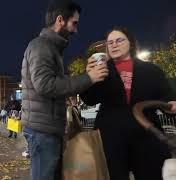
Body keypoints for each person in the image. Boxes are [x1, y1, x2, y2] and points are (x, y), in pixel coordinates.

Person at [20, 1, 108, 179]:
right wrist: (88, 77)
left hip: (47, 128)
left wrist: (86, 74)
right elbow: (45, 85)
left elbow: (55, 83)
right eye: (74, 23)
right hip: (43, 131)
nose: (76, 29)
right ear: (60, 20)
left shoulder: (51, 47)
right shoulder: (41, 46)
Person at [81, 27, 176, 180]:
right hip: (111, 138)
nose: (113, 45)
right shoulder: (102, 70)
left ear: (131, 44)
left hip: (146, 135)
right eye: (110, 42)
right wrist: (89, 78)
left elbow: (166, 95)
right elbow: (89, 99)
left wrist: (171, 103)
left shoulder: (151, 70)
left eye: (119, 40)